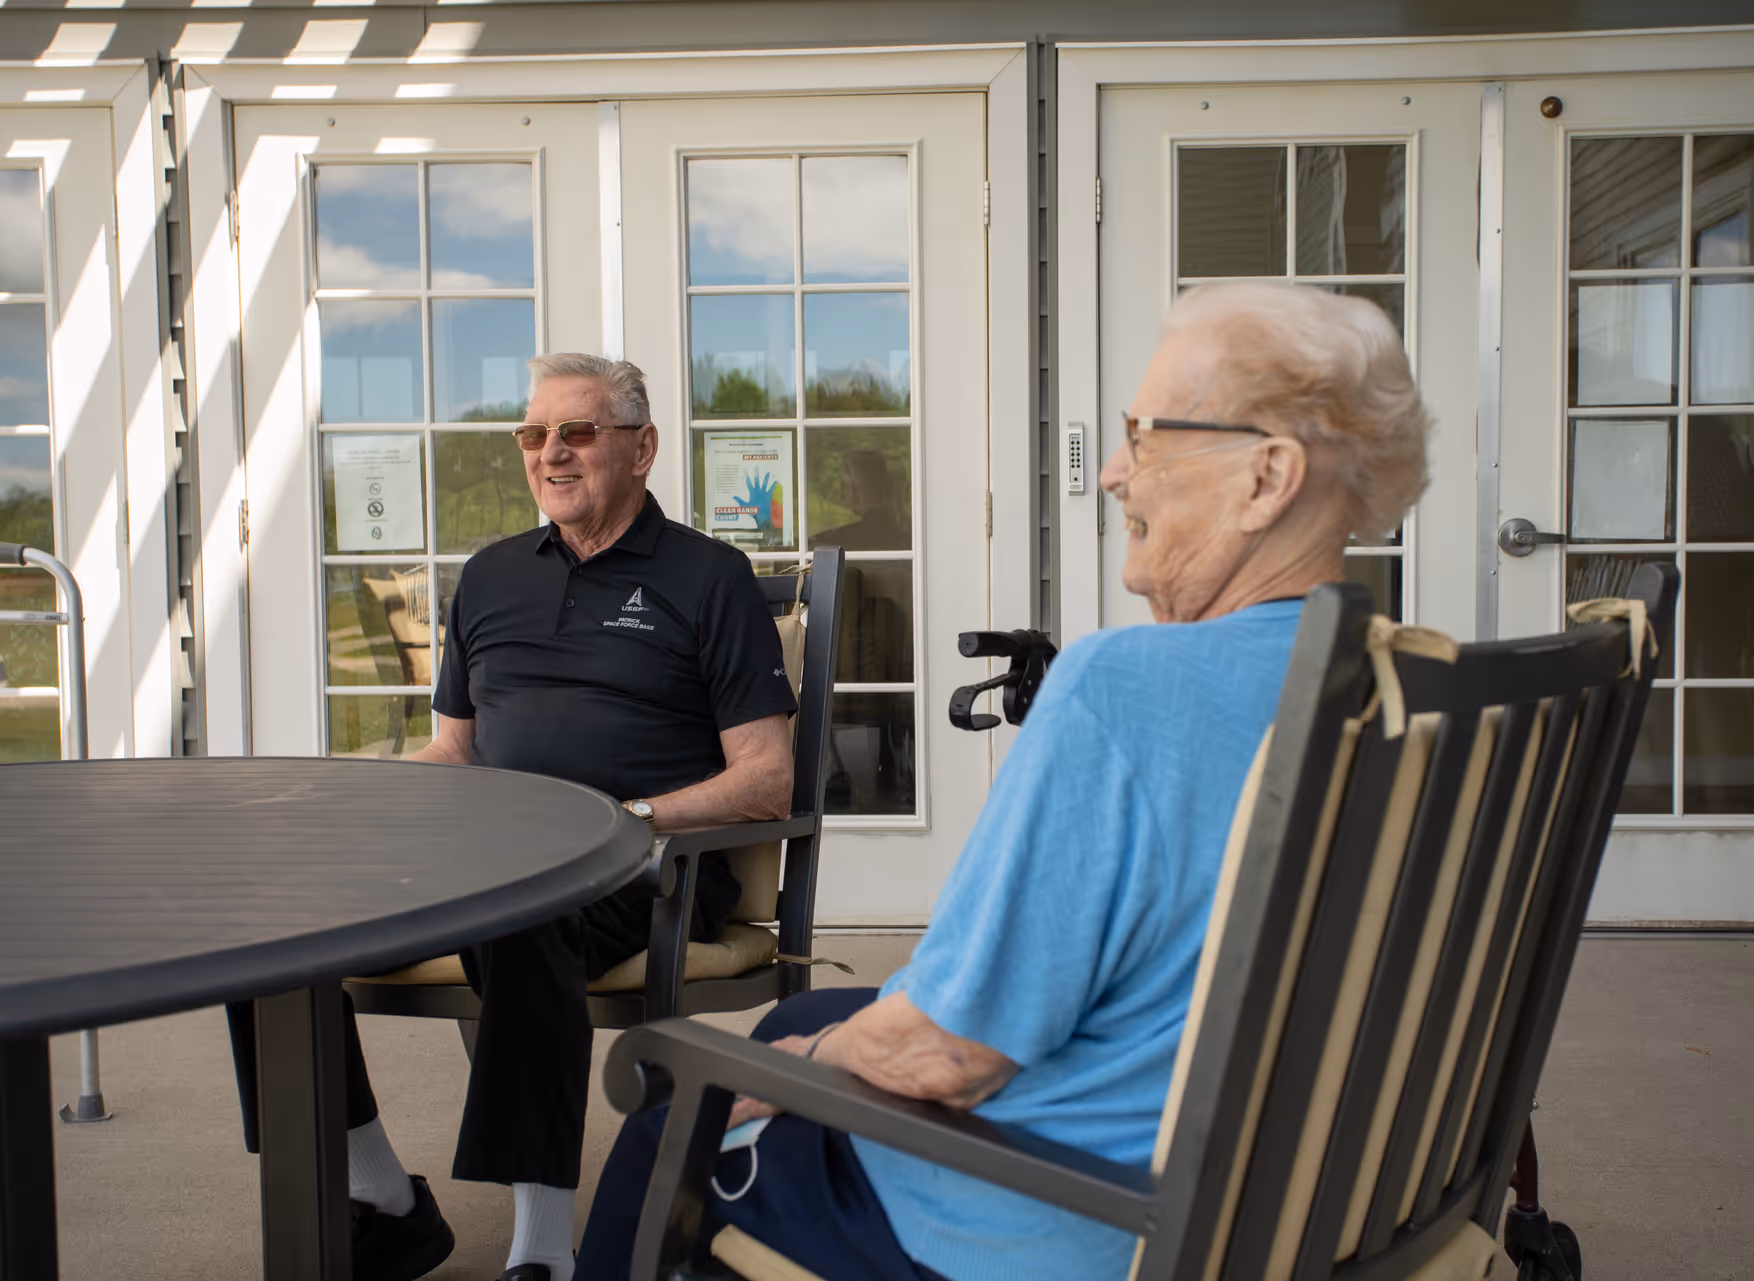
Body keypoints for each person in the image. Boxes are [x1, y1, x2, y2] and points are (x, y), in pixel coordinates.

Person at [573, 279, 1432, 1281]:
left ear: (1267, 477)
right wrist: (821, 1043)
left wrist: (792, 1075)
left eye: (1145, 437)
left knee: (679, 1108)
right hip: (1315, 1190)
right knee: (803, 1018)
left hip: (1075, 1220)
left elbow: (948, 1055)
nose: (1112, 473)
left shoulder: (1127, 687)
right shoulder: (1411, 682)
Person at [226, 354, 799, 1281]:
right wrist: (336, 814)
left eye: (578, 432)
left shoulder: (709, 577)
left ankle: (542, 1250)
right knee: (259, 920)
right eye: (534, 435)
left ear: (643, 447)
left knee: (526, 908)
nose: (552, 453)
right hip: (484, 853)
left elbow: (767, 779)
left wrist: (625, 818)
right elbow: (453, 750)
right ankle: (382, 1195)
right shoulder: (490, 577)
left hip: (643, 868)